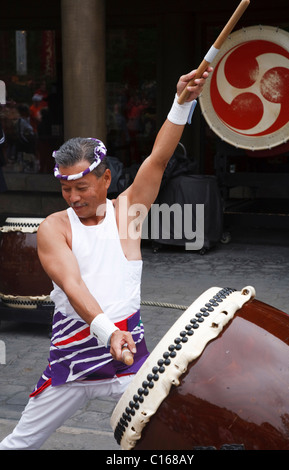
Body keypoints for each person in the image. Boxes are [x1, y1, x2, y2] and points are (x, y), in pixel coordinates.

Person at [0, 67, 212, 450]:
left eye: (81, 187)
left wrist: (182, 102)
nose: (73, 197)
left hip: (129, 361)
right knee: (19, 445)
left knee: (169, 444)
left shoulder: (128, 213)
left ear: (106, 179)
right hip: (72, 362)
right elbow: (72, 284)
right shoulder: (54, 228)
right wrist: (108, 331)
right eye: (65, 189)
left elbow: (158, 159)